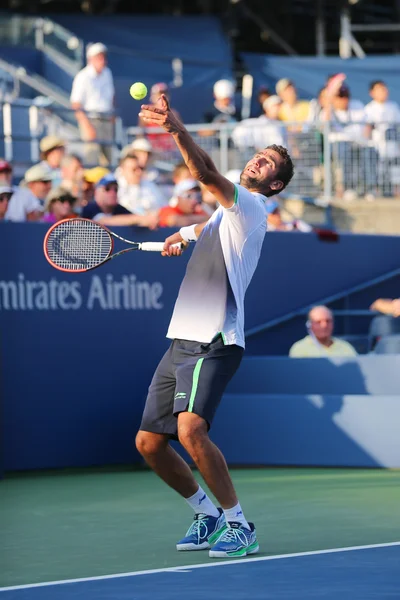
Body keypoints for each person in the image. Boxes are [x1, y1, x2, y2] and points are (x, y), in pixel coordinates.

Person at [136, 93, 294, 558]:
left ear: (274, 186)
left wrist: (176, 128)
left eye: (268, 164)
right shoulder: (225, 213)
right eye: (259, 156)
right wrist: (181, 236)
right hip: (181, 339)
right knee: (149, 443)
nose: (257, 162)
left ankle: (239, 524)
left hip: (216, 340)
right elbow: (205, 225)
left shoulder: (251, 207)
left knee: (189, 431)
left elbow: (204, 174)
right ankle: (205, 514)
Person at [70, 42, 115, 166]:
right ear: (90, 59)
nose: (103, 60)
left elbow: (111, 98)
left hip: (106, 120)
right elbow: (75, 104)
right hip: (91, 120)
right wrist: (86, 126)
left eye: (103, 56)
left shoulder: (107, 73)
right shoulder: (82, 76)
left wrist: (112, 117)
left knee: (109, 159)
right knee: (92, 158)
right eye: (99, 57)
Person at [82, 173, 157, 228]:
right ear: (96, 192)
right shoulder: (90, 208)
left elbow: (136, 219)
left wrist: (147, 220)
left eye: (115, 189)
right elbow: (103, 221)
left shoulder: (119, 208)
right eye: (107, 189)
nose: (113, 193)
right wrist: (138, 219)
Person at [289, 306, 357, 357]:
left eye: (328, 321)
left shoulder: (346, 347)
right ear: (309, 325)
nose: (324, 325)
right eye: (318, 322)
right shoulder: (299, 349)